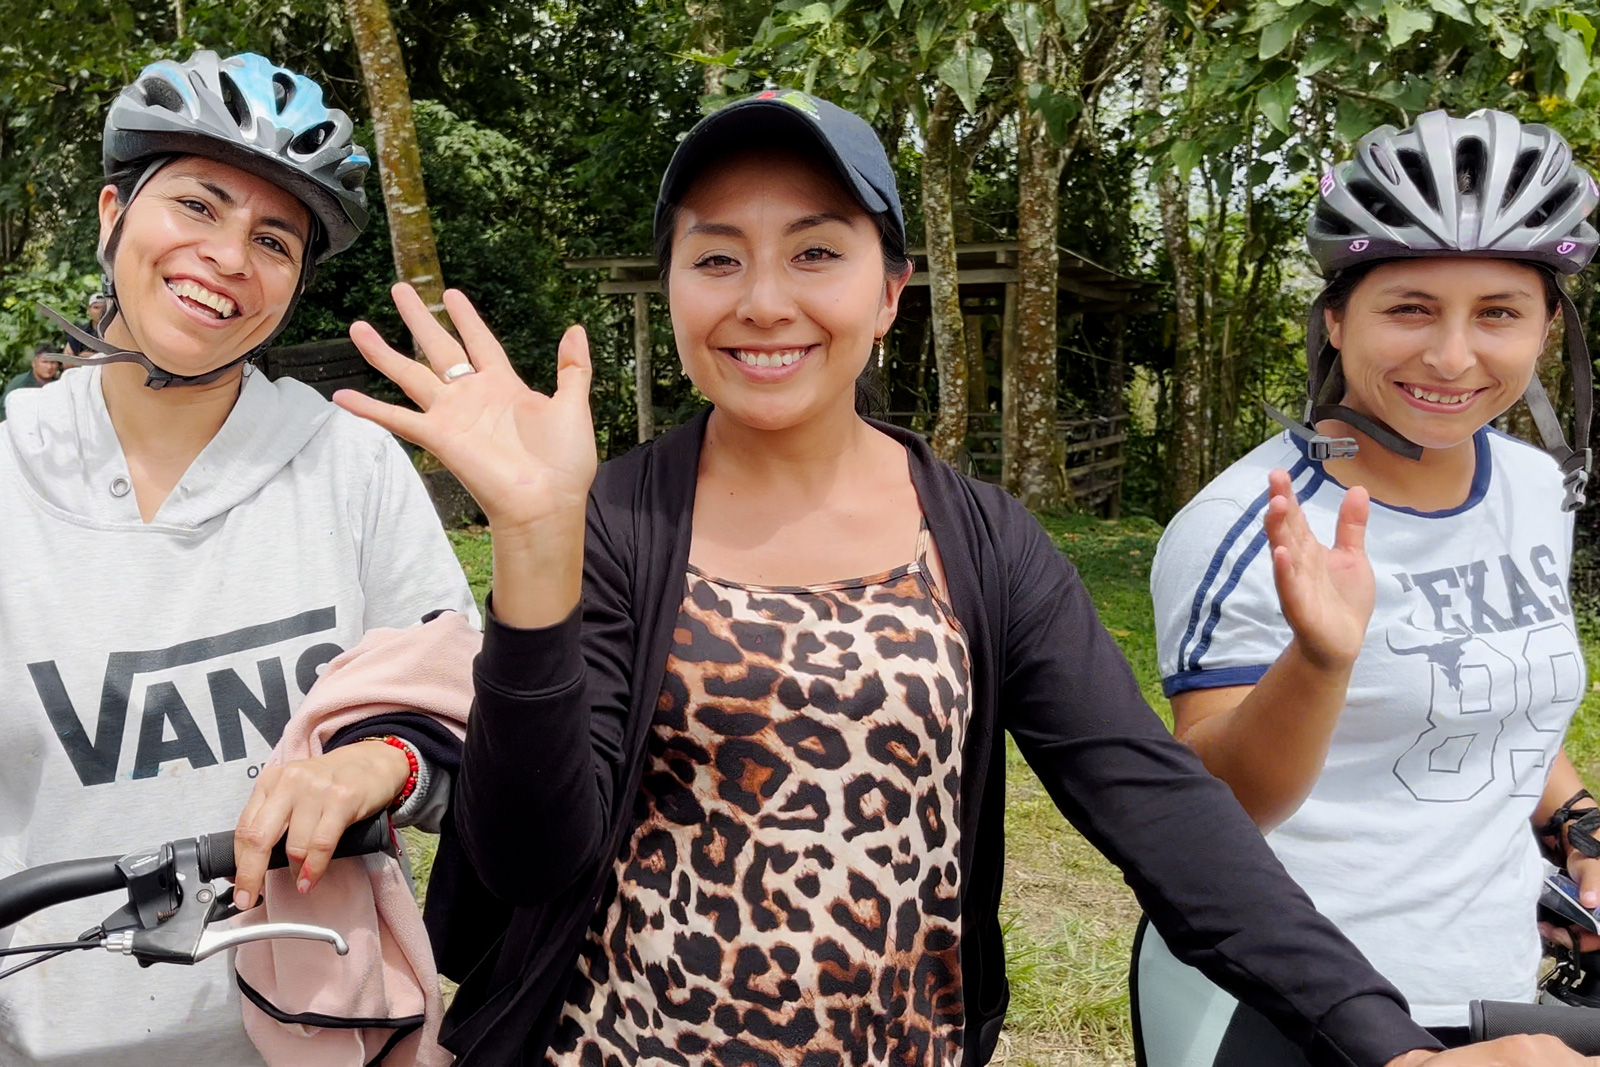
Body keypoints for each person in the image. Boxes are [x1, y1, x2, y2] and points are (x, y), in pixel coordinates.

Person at [340, 92, 1593, 1067]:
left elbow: (1167, 815)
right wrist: (538, 551)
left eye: (816, 254)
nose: (763, 300)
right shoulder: (618, 519)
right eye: (715, 259)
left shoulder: (983, 541)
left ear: (888, 293)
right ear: (670, 290)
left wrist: (1382, 1043)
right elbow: (526, 854)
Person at [0, 50, 476, 1065]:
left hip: (328, 1033)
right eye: (198, 206)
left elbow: (467, 735)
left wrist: (376, 762)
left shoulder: (353, 469)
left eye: (272, 238)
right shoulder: (10, 477)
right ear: (110, 214)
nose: (226, 256)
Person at [1143, 108, 1600, 1060]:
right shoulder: (1246, 524)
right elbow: (1212, 815)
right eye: (1411, 307)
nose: (1452, 355)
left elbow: (1496, 694)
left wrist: (1572, 814)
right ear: (1335, 317)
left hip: (1495, 985)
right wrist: (1321, 658)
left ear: (1549, 328)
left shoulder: (1532, 486)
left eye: (1500, 313)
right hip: (1288, 996)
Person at [1, 342, 63, 411]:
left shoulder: (60, 385)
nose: (49, 367)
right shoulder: (19, 384)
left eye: (53, 362)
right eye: (45, 362)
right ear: (34, 363)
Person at [64, 292, 110, 357]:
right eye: (96, 308)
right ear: (88, 310)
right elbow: (67, 362)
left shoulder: (117, 332)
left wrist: (93, 357)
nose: (100, 311)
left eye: (104, 308)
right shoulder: (79, 333)